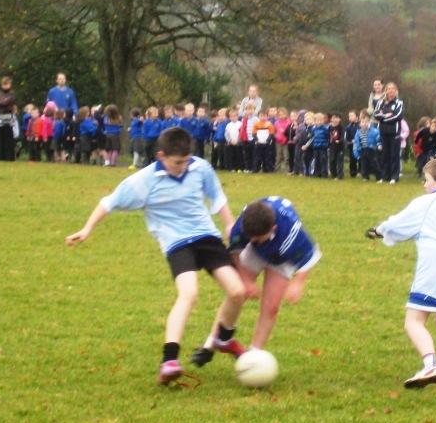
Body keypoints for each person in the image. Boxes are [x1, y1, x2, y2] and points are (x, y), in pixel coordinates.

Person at [64, 127, 245, 385]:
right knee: (189, 293)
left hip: (207, 238)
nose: (183, 166)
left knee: (238, 291)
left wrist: (230, 226)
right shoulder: (143, 181)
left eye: (186, 161)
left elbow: (217, 198)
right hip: (177, 244)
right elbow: (109, 202)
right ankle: (169, 360)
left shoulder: (200, 168)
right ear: (161, 155)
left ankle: (223, 339)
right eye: (177, 162)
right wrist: (87, 228)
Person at [366, 156, 436, 386]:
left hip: (434, 271)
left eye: (426, 179)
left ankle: (431, 365)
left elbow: (398, 225)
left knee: (413, 321)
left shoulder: (426, 203)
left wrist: (379, 231)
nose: (424, 184)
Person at [190, 196, 322, 367]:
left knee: (271, 307)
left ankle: (254, 356)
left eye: (257, 238)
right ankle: (211, 343)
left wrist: (298, 283)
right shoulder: (244, 226)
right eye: (249, 237)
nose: (252, 240)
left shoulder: (291, 232)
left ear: (273, 228)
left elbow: (311, 255)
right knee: (237, 292)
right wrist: (245, 280)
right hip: (254, 252)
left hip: (283, 257)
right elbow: (235, 252)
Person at [375, 82, 405, 183]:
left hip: (394, 132)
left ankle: (394, 177)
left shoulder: (399, 102)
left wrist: (385, 118)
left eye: (392, 89)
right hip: (383, 132)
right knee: (384, 155)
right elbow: (376, 115)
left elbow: (398, 116)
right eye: (388, 89)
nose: (390, 91)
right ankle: (385, 176)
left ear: (396, 90)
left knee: (394, 155)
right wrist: (385, 116)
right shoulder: (381, 102)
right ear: (386, 91)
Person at [0, 77, 17, 161]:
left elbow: (8, 102)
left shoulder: (12, 93)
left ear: (10, 84)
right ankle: (1, 157)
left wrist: (1, 103)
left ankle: (9, 157)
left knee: (8, 137)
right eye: (4, 84)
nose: (5, 86)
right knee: (1, 137)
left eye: (7, 84)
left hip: (8, 116)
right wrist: (1, 103)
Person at [353, 115, 380, 182]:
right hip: (362, 150)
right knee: (363, 164)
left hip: (371, 149)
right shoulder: (358, 132)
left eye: (366, 122)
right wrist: (356, 151)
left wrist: (379, 144)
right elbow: (356, 142)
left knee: (374, 164)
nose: (364, 124)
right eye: (363, 122)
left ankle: (379, 176)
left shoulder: (374, 131)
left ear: (369, 123)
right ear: (360, 124)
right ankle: (365, 176)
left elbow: (378, 139)